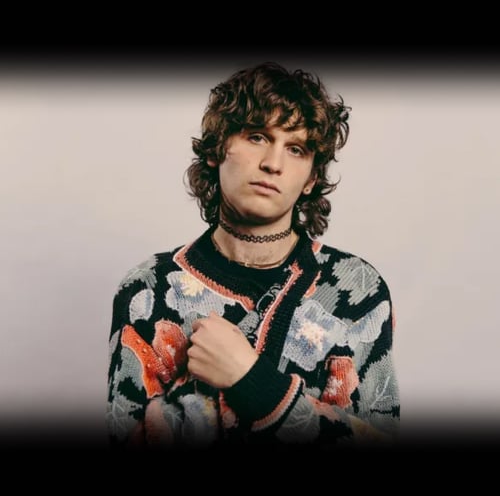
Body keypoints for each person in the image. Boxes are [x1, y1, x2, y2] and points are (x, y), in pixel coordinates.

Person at [106, 61, 400, 452]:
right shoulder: (148, 287)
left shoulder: (356, 288)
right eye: (258, 137)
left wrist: (253, 384)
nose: (273, 164)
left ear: (311, 178)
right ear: (218, 149)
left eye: (296, 149)